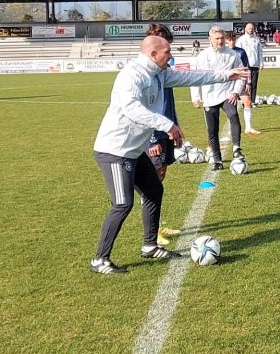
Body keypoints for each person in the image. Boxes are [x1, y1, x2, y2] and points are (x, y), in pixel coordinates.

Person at [90, 35, 247, 275]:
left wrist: (227, 75)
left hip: (133, 150)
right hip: (115, 150)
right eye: (167, 53)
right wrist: (167, 125)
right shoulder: (131, 75)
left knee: (154, 190)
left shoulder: (159, 73)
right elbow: (131, 108)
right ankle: (100, 259)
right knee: (122, 204)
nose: (171, 56)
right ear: (153, 54)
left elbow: (191, 77)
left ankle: (150, 245)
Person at [144, 24, 182, 247]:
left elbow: (168, 100)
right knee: (153, 182)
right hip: (154, 133)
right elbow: (141, 109)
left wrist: (175, 124)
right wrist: (150, 140)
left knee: (160, 179)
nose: (169, 51)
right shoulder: (145, 73)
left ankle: (156, 225)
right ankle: (153, 233)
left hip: (167, 129)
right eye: (166, 46)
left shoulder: (163, 68)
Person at [191, 26, 247, 171]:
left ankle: (236, 148)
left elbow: (242, 74)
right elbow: (194, 78)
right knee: (212, 130)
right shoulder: (202, 56)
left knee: (234, 115)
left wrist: (235, 92)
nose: (220, 41)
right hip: (209, 96)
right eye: (217, 38)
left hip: (227, 94)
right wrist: (195, 97)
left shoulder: (232, 55)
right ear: (210, 39)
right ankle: (217, 160)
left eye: (222, 38)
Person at [223, 30, 259, 136]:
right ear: (226, 41)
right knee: (228, 106)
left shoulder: (241, 52)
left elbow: (246, 67)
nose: (232, 42)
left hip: (240, 81)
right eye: (230, 40)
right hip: (227, 83)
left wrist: (248, 82)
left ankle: (248, 127)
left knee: (247, 101)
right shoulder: (223, 53)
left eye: (233, 39)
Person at [235, 23, 264, 135]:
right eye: (249, 28)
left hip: (255, 64)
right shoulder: (241, 40)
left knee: (254, 84)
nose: (251, 30)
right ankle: (243, 100)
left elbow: (260, 52)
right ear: (245, 29)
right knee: (244, 84)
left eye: (252, 29)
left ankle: (252, 101)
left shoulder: (257, 40)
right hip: (244, 65)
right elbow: (237, 52)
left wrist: (261, 63)